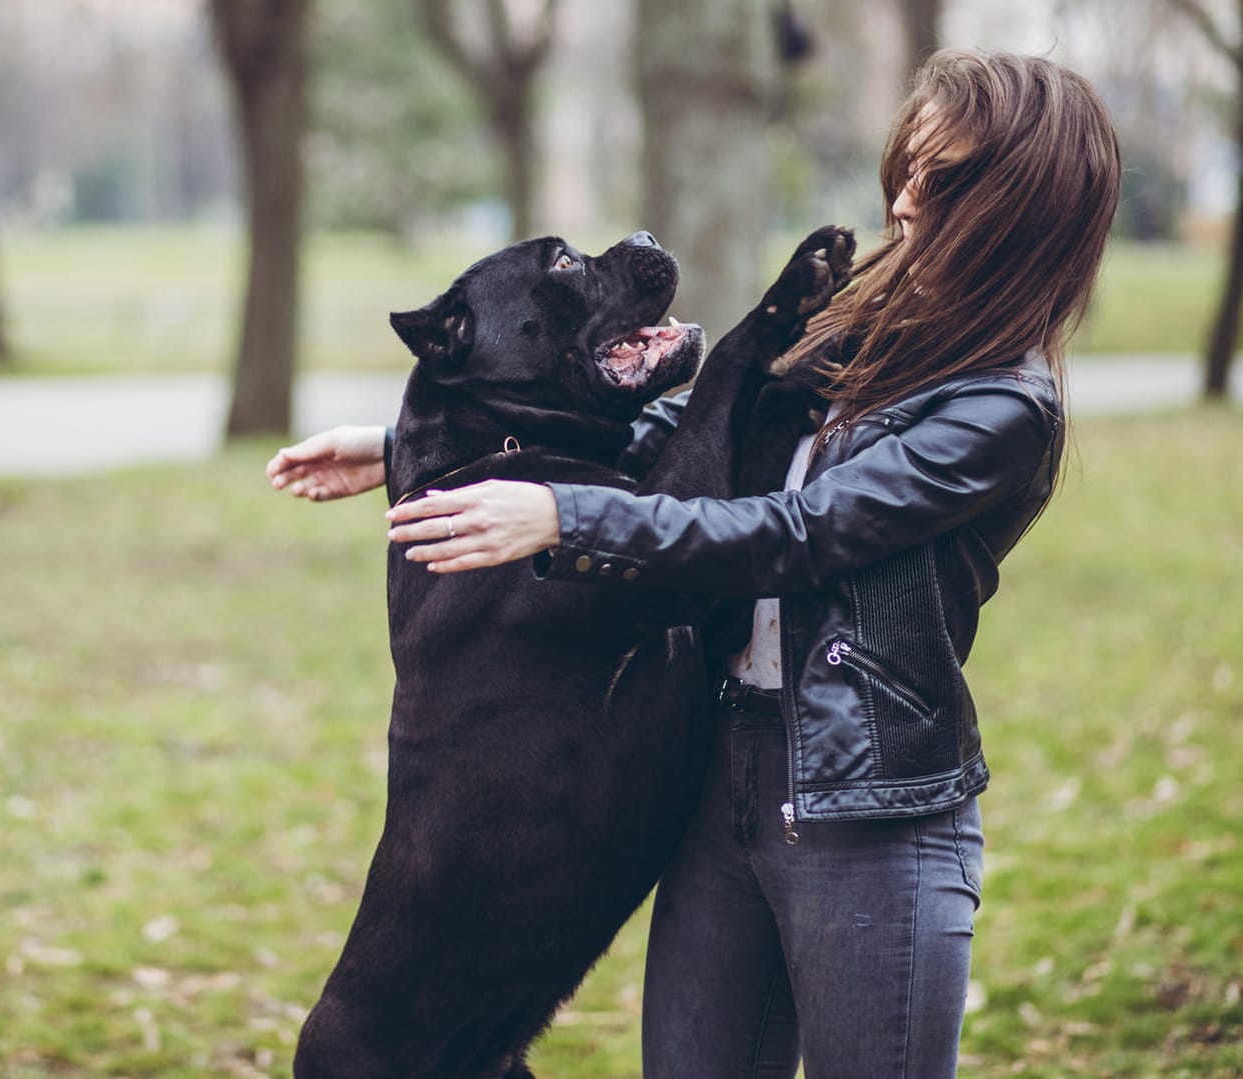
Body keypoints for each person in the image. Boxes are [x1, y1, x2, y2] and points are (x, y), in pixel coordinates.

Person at [267, 49, 1120, 1079]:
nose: (900, 201)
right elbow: (698, 443)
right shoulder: (874, 331)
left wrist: (563, 517)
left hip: (866, 813)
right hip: (726, 782)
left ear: (1021, 207)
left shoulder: (1000, 409)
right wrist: (414, 442)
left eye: (938, 182)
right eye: (905, 167)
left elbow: (794, 530)